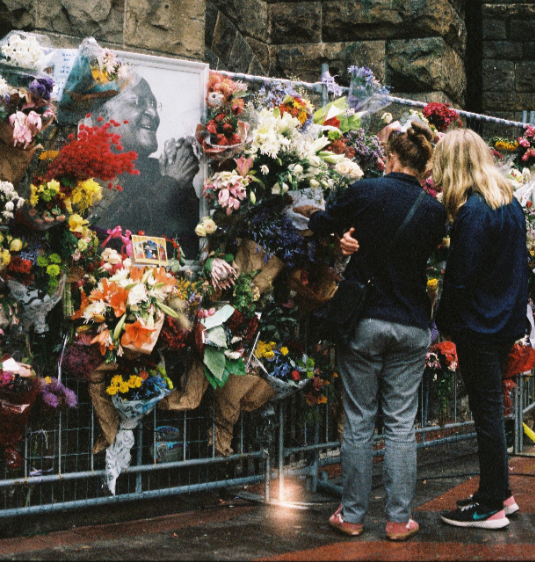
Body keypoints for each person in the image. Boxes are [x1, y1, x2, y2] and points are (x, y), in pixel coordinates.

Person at [295, 122, 447, 541]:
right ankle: (399, 520)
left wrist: (338, 232)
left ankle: (353, 515)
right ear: (423, 167)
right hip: (412, 323)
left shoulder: (366, 191)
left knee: (360, 421)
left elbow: (325, 222)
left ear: (392, 159)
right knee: (400, 424)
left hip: (365, 320)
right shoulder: (434, 211)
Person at [433, 129, 528, 529]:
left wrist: (445, 320)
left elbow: (460, 278)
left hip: (478, 326)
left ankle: (490, 503)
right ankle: (500, 491)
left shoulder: (473, 211)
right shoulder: (508, 205)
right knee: (493, 412)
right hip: (503, 321)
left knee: (486, 415)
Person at [87, 75, 201, 259]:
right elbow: (105, 242)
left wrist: (184, 183)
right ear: (104, 116)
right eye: (138, 102)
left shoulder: (159, 170)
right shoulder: (88, 169)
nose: (153, 114)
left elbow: (188, 250)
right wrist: (170, 184)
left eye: (154, 104)